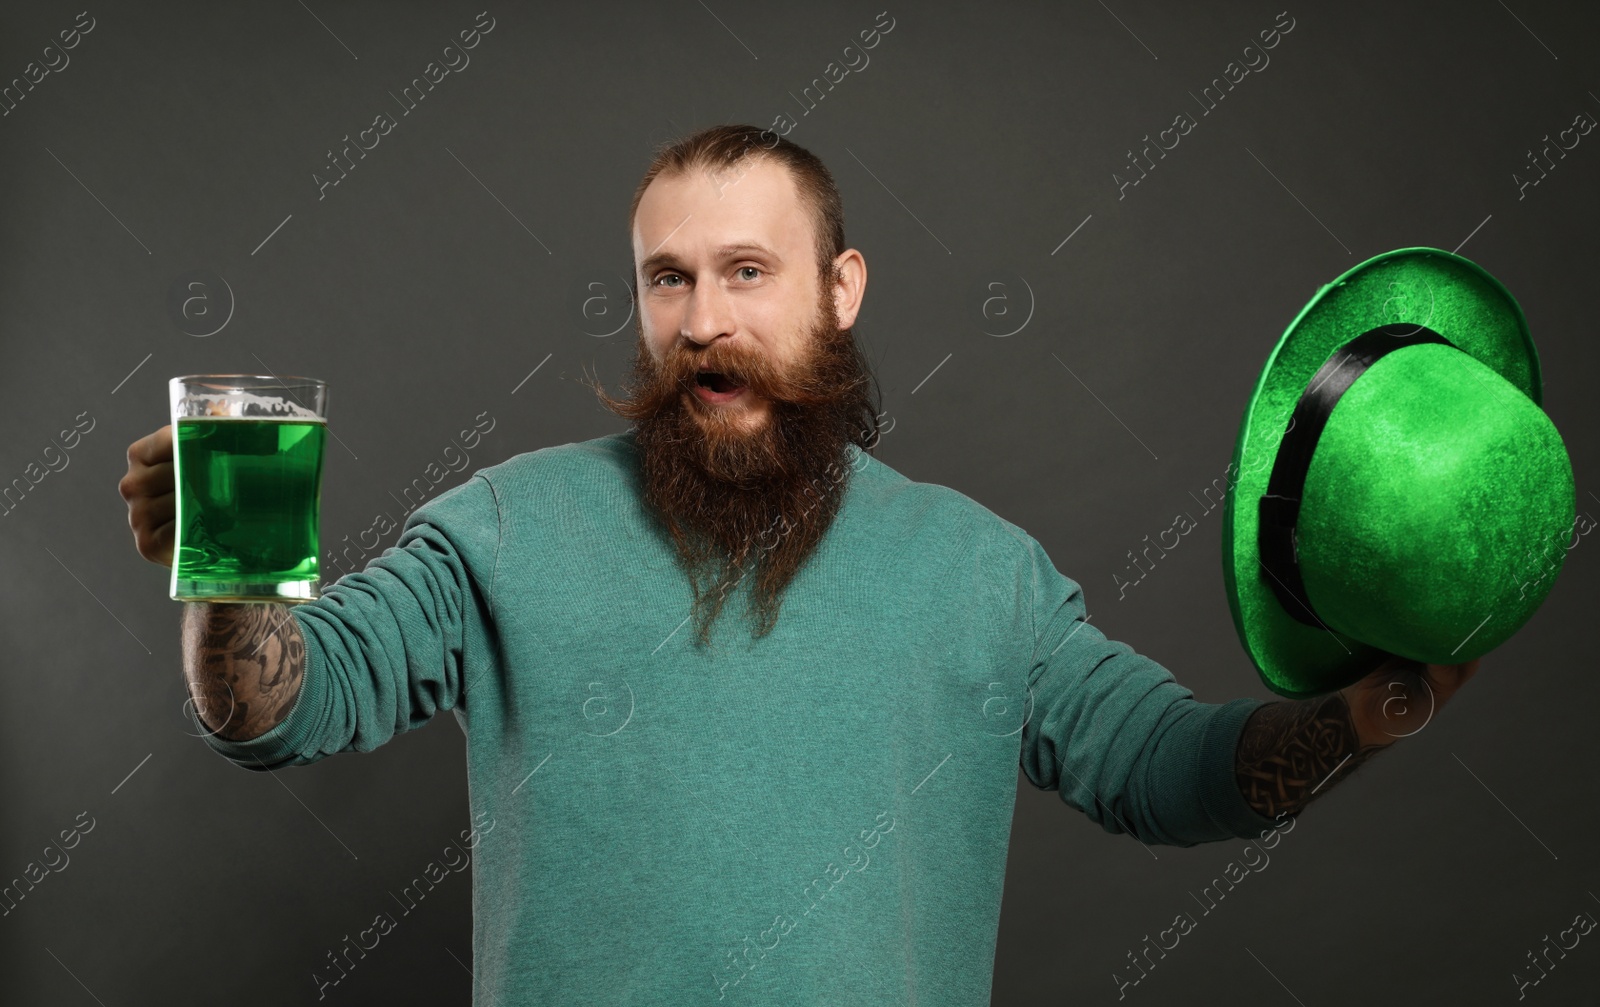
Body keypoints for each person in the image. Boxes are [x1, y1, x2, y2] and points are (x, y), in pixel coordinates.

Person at [119, 124, 1478, 1005]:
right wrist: (221, 564)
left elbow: (1171, 771)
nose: (706, 322)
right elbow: (280, 707)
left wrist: (1370, 712)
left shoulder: (980, 571)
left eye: (748, 271)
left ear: (842, 289)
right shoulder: (505, 528)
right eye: (669, 279)